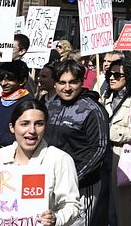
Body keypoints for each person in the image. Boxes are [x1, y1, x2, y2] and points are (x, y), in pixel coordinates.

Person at [0, 99, 82, 225]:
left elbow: (72, 205)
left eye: (39, 124)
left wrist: (55, 218)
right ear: (12, 127)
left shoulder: (60, 159)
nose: (32, 130)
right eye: (24, 124)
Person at [46, 59, 111, 226]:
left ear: (82, 82)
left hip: (82, 185)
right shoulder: (50, 106)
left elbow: (99, 149)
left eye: (73, 82)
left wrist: (73, 178)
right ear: (55, 84)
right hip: (52, 185)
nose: (67, 88)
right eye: (62, 82)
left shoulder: (93, 110)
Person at [105, 59, 131, 226]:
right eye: (109, 74)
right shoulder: (105, 97)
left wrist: (107, 131)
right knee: (107, 206)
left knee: (124, 207)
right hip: (104, 157)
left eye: (117, 75)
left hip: (122, 158)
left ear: (127, 77)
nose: (111, 78)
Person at [0, 60, 34, 147]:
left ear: (22, 81)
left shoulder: (29, 104)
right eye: (1, 79)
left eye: (10, 80)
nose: (3, 83)